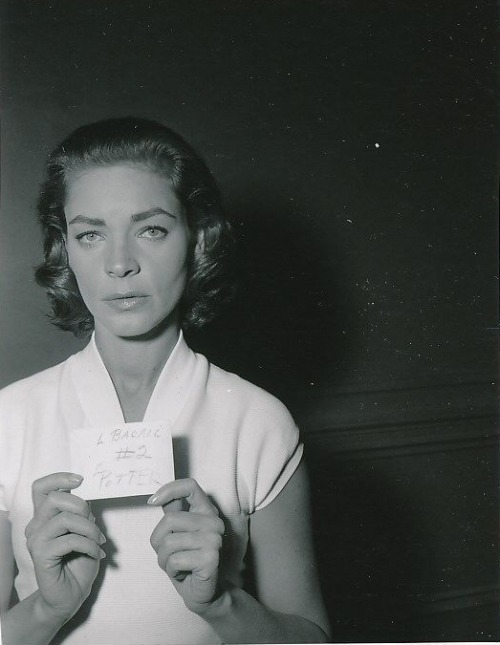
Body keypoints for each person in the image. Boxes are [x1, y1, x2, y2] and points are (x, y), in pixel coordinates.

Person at [0, 117, 330, 644]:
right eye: (90, 234)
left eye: (150, 229)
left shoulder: (258, 421)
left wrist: (222, 603)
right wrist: (47, 608)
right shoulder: (8, 419)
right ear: (66, 250)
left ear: (196, 239)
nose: (119, 263)